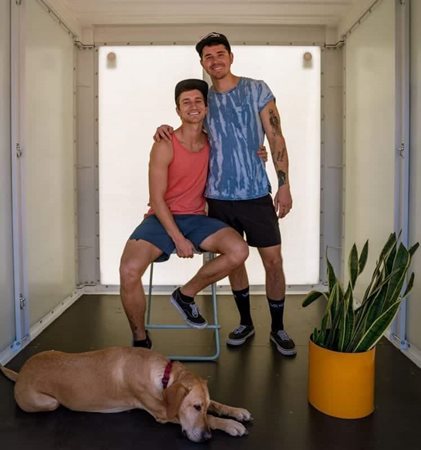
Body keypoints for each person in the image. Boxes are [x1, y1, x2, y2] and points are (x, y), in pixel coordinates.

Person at [154, 33, 296, 356]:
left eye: (220, 54)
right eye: (208, 56)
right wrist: (163, 129)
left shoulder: (257, 89)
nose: (215, 60)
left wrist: (284, 183)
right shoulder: (203, 99)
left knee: (273, 261)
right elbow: (187, 128)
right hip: (217, 197)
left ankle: (278, 328)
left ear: (231, 57)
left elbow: (275, 138)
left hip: (256, 194)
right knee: (234, 262)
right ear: (202, 63)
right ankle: (245, 322)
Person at [120, 78, 249, 349]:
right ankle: (141, 339)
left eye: (198, 101)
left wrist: (259, 153)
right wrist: (177, 238)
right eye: (186, 102)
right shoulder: (165, 143)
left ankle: (185, 295)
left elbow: (241, 152)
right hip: (161, 216)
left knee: (239, 251)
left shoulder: (214, 141)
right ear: (177, 110)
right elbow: (157, 198)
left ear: (206, 107)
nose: (193, 106)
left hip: (198, 219)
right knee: (129, 270)